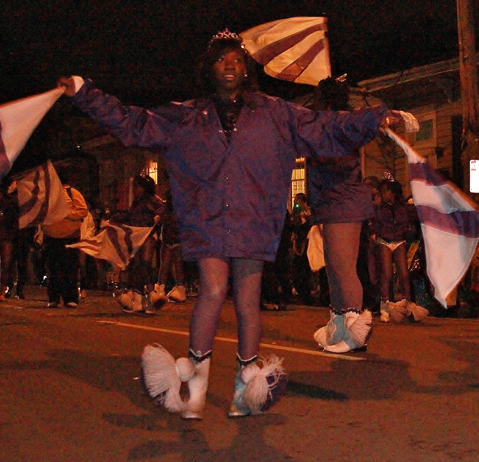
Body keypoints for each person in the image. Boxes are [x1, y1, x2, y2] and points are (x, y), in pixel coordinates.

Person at [59, 29, 401, 418]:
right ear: (209, 67)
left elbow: (326, 128)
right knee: (212, 289)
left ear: (246, 70)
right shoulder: (185, 116)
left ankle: (245, 387)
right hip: (207, 218)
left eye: (238, 60)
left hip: (255, 218)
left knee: (248, 300)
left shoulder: (276, 112)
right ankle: (196, 388)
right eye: (223, 59)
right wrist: (85, 92)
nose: (231, 66)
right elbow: (133, 122)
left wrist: (376, 118)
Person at [308, 77, 377, 353]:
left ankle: (354, 330)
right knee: (334, 268)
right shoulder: (329, 124)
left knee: (344, 267)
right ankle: (338, 325)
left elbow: (332, 159)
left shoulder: (341, 124)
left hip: (344, 201)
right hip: (331, 202)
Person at [372, 178, 420, 322]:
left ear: (392, 193)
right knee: (386, 273)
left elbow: (417, 216)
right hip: (384, 240)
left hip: (399, 240)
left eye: (386, 191)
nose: (384, 194)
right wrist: (375, 232)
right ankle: (385, 304)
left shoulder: (403, 208)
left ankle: (406, 302)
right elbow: (373, 222)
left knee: (404, 273)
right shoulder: (378, 208)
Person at [116, 174, 166, 313]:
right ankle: (139, 300)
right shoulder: (137, 202)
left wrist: (158, 217)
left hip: (148, 235)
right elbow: (130, 216)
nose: (135, 189)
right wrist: (114, 220)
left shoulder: (154, 201)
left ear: (144, 188)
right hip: (136, 236)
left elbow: (162, 210)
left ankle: (151, 295)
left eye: (138, 186)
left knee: (145, 262)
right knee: (137, 264)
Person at [41, 173, 88, 309]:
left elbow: (82, 211)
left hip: (69, 236)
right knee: (52, 269)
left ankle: (70, 298)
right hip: (51, 236)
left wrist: (65, 214)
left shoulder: (72, 193)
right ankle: (54, 298)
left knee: (70, 268)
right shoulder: (47, 194)